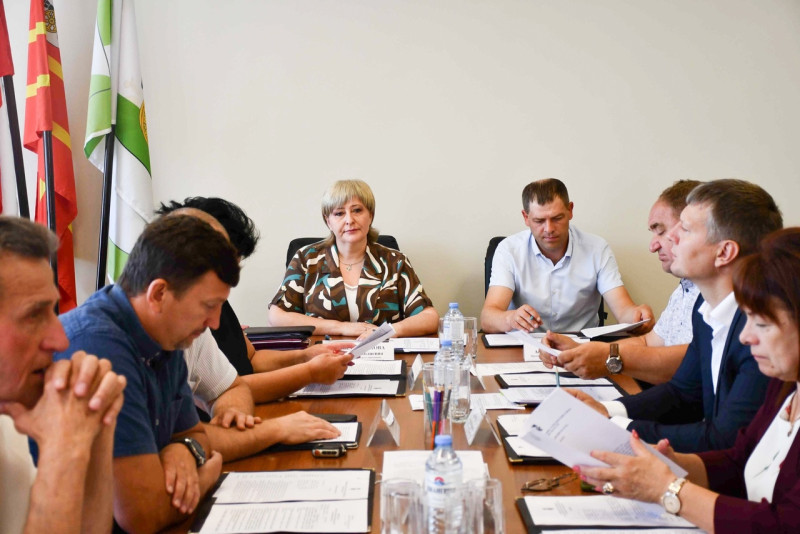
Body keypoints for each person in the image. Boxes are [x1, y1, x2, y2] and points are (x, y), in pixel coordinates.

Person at [576, 227, 800, 533]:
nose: (746, 337)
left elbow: (785, 524)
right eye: (747, 319)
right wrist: (670, 464)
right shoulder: (784, 385)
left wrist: (669, 490)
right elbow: (739, 460)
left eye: (762, 324)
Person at [567, 179, 782, 452]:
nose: (671, 238)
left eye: (686, 230)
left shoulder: (761, 332)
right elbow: (682, 393)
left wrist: (614, 427)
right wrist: (607, 410)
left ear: (725, 252)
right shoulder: (704, 309)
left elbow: (725, 441)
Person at [156, 198, 355, 403]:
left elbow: (251, 359)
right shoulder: (177, 328)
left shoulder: (214, 306)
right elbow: (226, 391)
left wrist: (305, 356)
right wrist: (309, 372)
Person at [0, 216, 126, 534]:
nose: (60, 341)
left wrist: (97, 424)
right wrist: (65, 449)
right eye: (33, 315)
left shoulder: (11, 417)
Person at [542, 180, 702, 383]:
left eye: (661, 231)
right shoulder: (686, 288)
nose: (652, 246)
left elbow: (691, 363)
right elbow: (649, 343)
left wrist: (608, 358)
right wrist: (582, 350)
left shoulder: (722, 296)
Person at [481, 178, 654, 334]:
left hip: (582, 347)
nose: (549, 229)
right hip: (524, 345)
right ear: (526, 217)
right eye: (539, 221)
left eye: (557, 218)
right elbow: (488, 318)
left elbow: (623, 311)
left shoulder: (597, 249)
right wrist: (510, 319)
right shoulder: (509, 250)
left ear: (570, 210)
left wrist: (637, 316)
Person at [269, 179, 439, 337]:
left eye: (357, 210)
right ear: (328, 221)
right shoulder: (306, 259)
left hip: (381, 354)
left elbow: (429, 317)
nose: (349, 220)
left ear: (370, 215)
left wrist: (387, 332)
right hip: (321, 354)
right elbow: (277, 316)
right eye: (339, 213)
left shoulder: (394, 261)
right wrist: (340, 327)